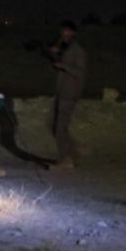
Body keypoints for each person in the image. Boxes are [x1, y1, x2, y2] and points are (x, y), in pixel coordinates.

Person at [48, 19, 86, 168]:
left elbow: (80, 73)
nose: (64, 34)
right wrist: (55, 57)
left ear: (73, 32)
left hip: (70, 93)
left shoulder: (78, 50)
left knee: (59, 127)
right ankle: (74, 150)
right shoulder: (64, 48)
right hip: (61, 91)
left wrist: (63, 65)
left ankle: (66, 158)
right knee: (54, 125)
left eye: (67, 31)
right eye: (63, 30)